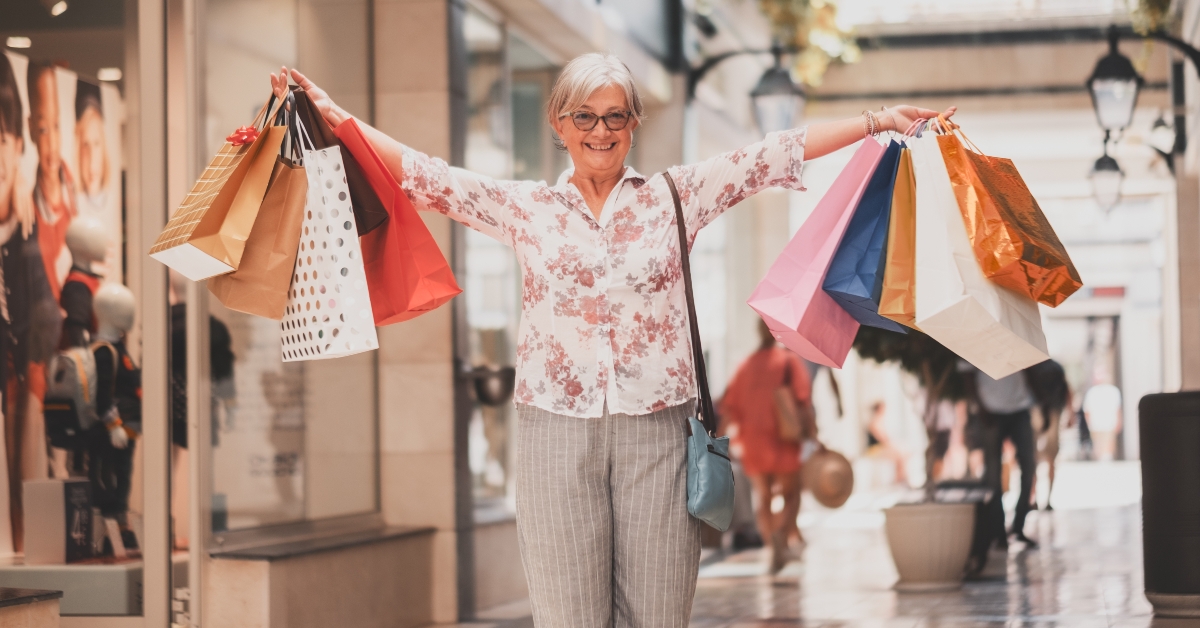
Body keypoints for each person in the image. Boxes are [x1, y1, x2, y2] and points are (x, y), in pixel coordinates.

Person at [272, 58, 955, 624]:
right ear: (559, 124)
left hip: (657, 435)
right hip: (553, 436)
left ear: (633, 123)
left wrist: (877, 122)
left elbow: (774, 154)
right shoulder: (527, 207)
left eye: (615, 116)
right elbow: (423, 176)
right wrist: (331, 115)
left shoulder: (675, 196)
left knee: (658, 616)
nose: (600, 131)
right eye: (584, 117)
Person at [721, 320, 814, 574]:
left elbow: (729, 406)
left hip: (754, 441)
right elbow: (803, 400)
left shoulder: (746, 366)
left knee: (764, 497)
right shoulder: (788, 361)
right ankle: (782, 536)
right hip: (784, 438)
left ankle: (774, 546)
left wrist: (717, 440)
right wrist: (813, 433)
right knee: (791, 494)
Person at [971, 368, 1039, 548]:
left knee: (1029, 466)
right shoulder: (973, 343)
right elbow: (966, 376)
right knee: (993, 473)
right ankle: (998, 532)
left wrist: (1038, 400)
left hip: (1020, 406)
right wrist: (980, 407)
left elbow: (1029, 369)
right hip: (990, 409)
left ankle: (1019, 526)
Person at [28, 62, 74, 297]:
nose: (54, 145)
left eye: (56, 126)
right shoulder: (29, 215)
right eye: (44, 129)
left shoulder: (76, 193)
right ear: (31, 129)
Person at [74, 83, 110, 219]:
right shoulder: (72, 206)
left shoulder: (114, 203)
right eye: (85, 145)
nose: (91, 159)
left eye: (96, 144)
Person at [865, 400, 909, 485]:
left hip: (881, 448)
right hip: (874, 450)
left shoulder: (881, 422)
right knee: (900, 456)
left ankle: (900, 479)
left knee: (902, 455)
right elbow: (884, 440)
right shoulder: (874, 423)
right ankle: (900, 480)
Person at [1083, 383, 1121, 462]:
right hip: (1096, 424)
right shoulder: (1092, 392)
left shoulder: (1112, 391)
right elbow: (1087, 410)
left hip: (1109, 423)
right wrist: (1089, 423)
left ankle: (1107, 462)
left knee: (1108, 447)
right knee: (1098, 447)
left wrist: (1119, 421)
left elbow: (1118, 408)